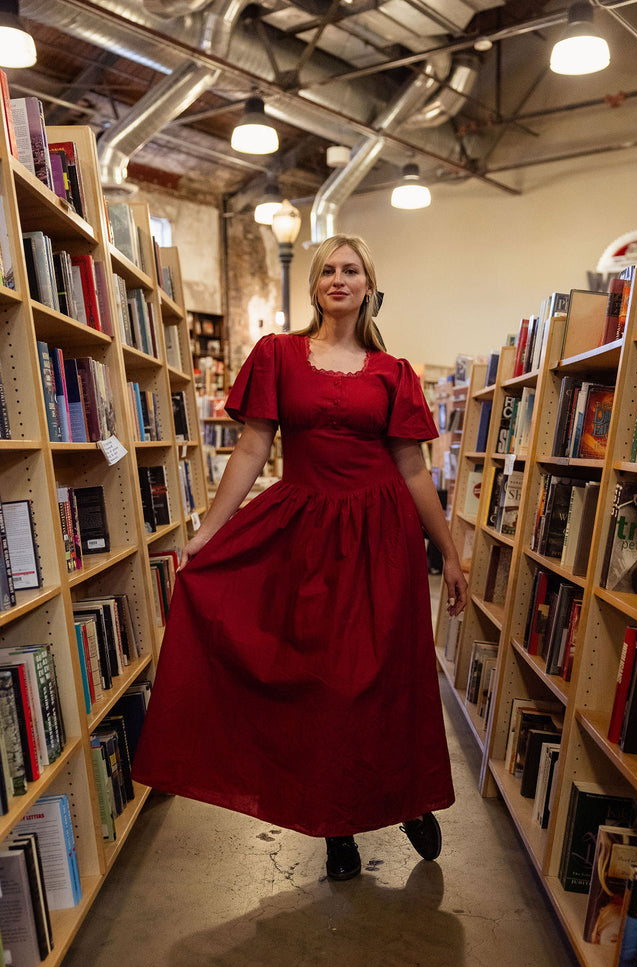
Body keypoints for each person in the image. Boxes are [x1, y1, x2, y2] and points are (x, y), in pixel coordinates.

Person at [132, 234, 468, 882]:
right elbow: (253, 449)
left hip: (382, 539)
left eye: (351, 270)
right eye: (327, 271)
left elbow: (413, 468)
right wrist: (207, 535)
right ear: (315, 285)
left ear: (369, 285)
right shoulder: (277, 355)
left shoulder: (393, 372)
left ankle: (408, 800)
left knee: (384, 683)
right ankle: (334, 825)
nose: (338, 279)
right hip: (307, 532)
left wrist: (448, 554)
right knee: (322, 685)